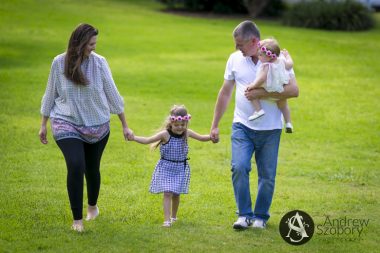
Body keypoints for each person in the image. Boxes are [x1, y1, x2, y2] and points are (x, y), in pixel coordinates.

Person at [38, 23, 133, 232]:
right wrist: (43, 123)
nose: (94, 48)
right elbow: (50, 92)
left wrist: (125, 125)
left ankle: (92, 207)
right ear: (79, 43)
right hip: (65, 121)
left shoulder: (100, 64)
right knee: (76, 164)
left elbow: (113, 94)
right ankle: (77, 220)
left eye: (95, 43)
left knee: (92, 169)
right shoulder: (58, 63)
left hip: (97, 125)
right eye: (91, 44)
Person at [210, 20, 299, 229]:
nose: (236, 48)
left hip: (270, 129)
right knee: (239, 167)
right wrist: (215, 124)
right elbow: (225, 92)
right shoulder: (234, 59)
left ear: (254, 41)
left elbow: (294, 90)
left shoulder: (274, 57)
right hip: (241, 125)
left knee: (267, 176)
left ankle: (260, 217)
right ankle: (244, 215)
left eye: (240, 44)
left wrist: (261, 93)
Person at [129, 105, 211, 227]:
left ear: (186, 123)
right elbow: (147, 140)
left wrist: (212, 137)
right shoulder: (165, 135)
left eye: (183, 125)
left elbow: (202, 138)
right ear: (171, 123)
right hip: (166, 167)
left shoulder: (187, 133)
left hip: (180, 168)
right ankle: (166, 220)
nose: (180, 128)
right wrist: (133, 137)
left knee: (176, 194)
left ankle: (173, 217)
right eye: (177, 125)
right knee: (167, 193)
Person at [246, 38, 295, 133]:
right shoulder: (282, 61)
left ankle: (258, 110)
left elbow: (262, 79)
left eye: (260, 55)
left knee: (250, 93)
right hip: (280, 89)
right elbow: (290, 64)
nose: (259, 56)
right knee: (283, 105)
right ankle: (288, 122)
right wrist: (287, 56)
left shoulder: (266, 66)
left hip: (267, 87)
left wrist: (253, 85)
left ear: (269, 57)